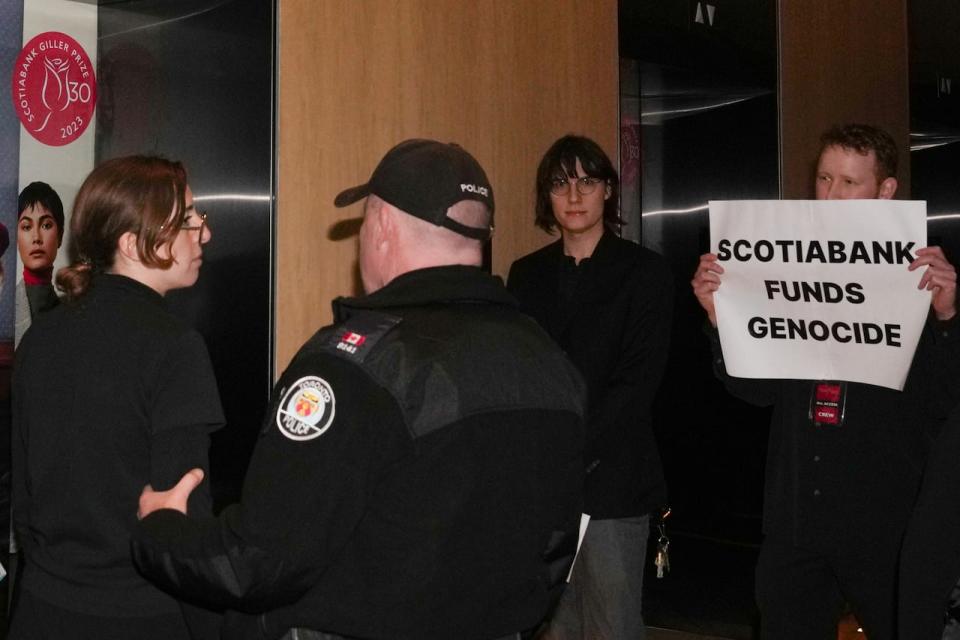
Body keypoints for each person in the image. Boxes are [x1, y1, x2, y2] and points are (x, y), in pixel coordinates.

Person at [132, 139, 587, 640]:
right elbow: (555, 552)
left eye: (365, 223)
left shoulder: (357, 364)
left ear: (383, 225)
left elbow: (258, 562)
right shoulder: (550, 361)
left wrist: (161, 530)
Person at [691, 123, 960, 640]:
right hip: (797, 520)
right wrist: (721, 321)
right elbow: (756, 391)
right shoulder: (784, 262)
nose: (831, 195)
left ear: (885, 190)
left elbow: (947, 402)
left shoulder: (924, 276)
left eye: (849, 183)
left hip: (886, 522)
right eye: (823, 179)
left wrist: (948, 319)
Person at [10, 156, 224, 639]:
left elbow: (23, 499)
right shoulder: (175, 347)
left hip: (40, 612)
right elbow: (182, 519)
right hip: (140, 619)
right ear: (132, 244)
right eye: (188, 220)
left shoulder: (40, 339)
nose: (204, 233)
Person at [507, 134, 673, 640]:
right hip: (543, 490)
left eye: (586, 181)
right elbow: (521, 375)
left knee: (611, 627)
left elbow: (636, 384)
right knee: (551, 629)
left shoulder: (645, 272)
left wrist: (569, 450)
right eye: (560, 183)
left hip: (613, 485)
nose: (574, 195)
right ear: (546, 197)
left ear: (607, 191)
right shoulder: (525, 274)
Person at [15, 182, 64, 348]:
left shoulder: (70, 312)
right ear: (16, 238)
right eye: (26, 227)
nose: (36, 237)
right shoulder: (5, 310)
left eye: (46, 225)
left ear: (60, 236)